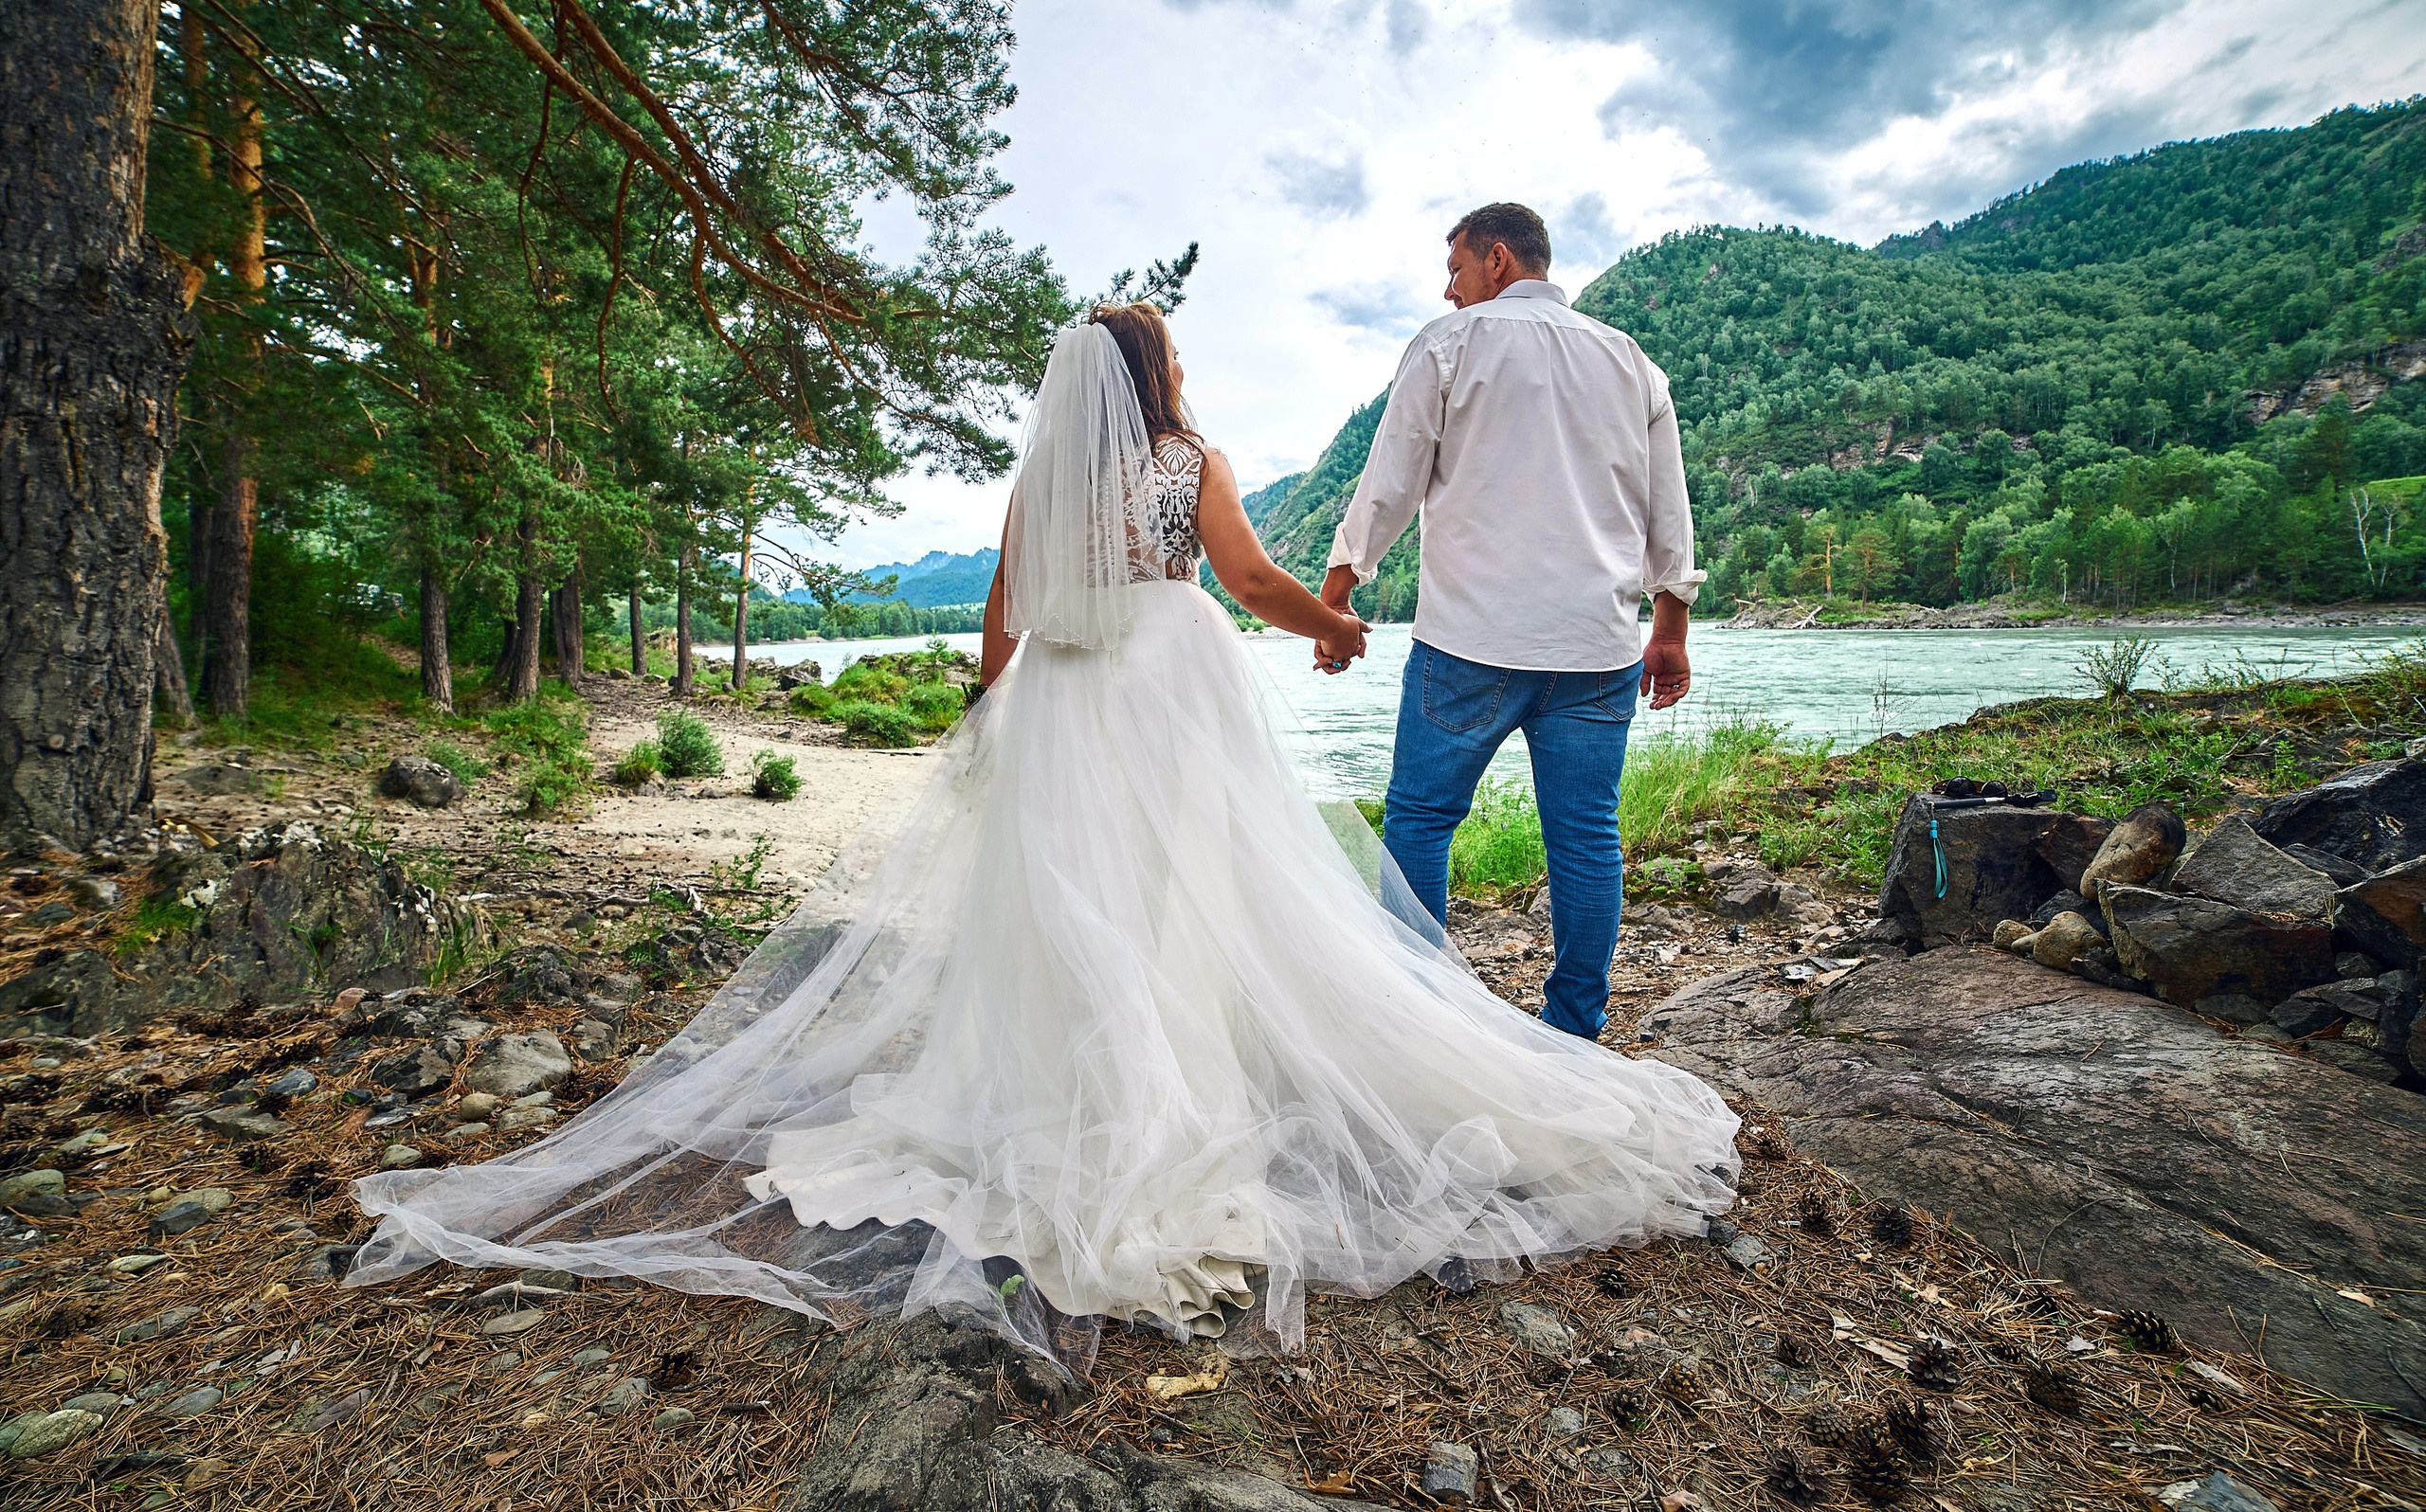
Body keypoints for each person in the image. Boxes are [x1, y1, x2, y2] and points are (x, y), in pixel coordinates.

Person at [347, 302, 1737, 1360]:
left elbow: (1009, 613)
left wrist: (983, 701)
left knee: (1078, 896)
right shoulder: (1188, 458)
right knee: (1187, 890)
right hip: (1173, 681)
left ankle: (1072, 1085)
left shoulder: (1044, 485)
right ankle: (1200, 1091)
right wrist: (1335, 624)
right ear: (1154, 378)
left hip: (1073, 698)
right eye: (1173, 356)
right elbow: (1245, 576)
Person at [1322, 203, 1702, 1042]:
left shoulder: (1448, 345)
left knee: (1421, 819)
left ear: (1497, 260)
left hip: (1470, 643)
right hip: (1596, 647)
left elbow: (1389, 485)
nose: (1447, 289)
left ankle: (1416, 1016)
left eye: (1454, 269)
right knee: (1585, 837)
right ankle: (1574, 1029)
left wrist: (1338, 595)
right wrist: (1668, 628)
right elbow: (1666, 511)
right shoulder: (1631, 361)